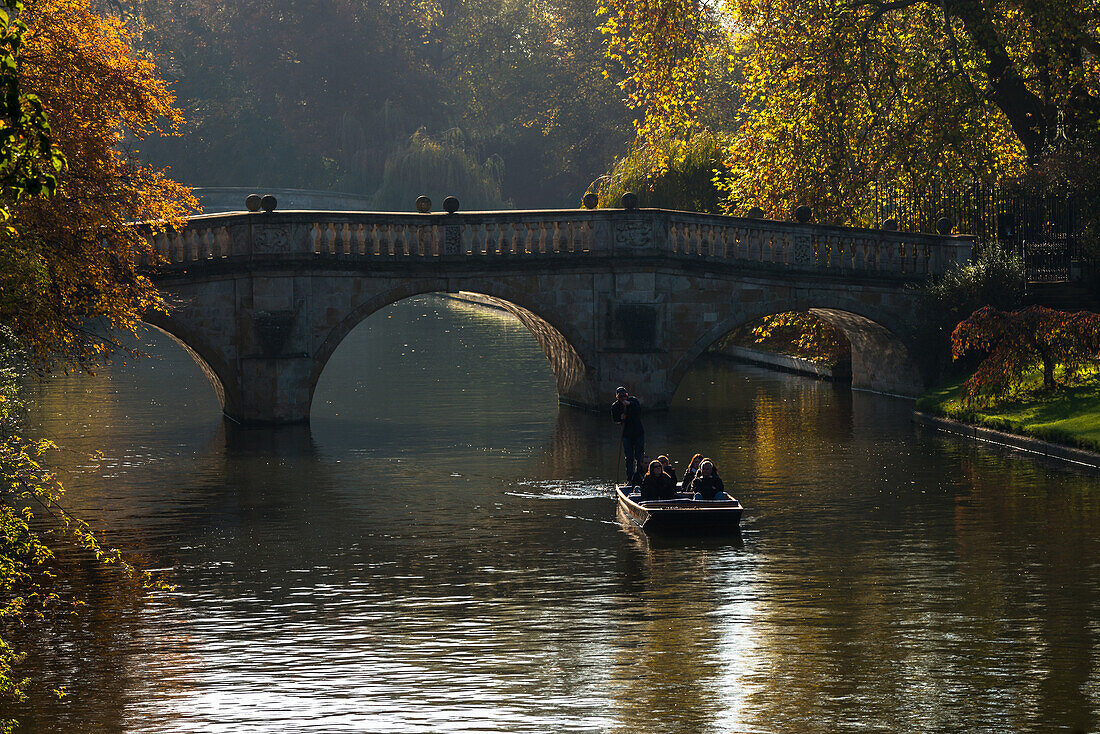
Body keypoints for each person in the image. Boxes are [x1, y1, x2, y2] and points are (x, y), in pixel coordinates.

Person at [611, 386, 645, 483]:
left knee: (639, 456)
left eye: (624, 396)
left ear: (627, 395)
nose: (623, 398)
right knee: (629, 457)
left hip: (638, 433)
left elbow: (638, 410)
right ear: (617, 397)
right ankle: (630, 478)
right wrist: (620, 418)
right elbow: (615, 419)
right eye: (620, 396)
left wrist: (629, 404)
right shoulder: (615, 406)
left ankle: (639, 476)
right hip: (626, 435)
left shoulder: (633, 401)